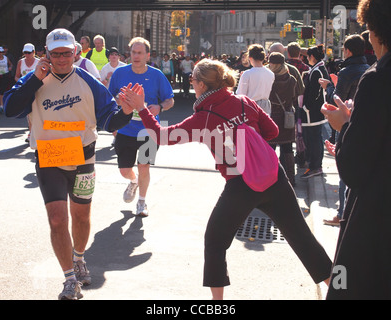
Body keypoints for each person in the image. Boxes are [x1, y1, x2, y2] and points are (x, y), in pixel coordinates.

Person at [120, 59, 332, 300]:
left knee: (215, 241)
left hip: (240, 184)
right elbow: (272, 131)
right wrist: (247, 140)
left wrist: (142, 108)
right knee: (303, 239)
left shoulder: (203, 119)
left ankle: (217, 303)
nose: (192, 83)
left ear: (200, 84)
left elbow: (160, 136)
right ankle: (342, 288)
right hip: (274, 177)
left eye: (192, 80)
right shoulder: (244, 102)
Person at [2, 28, 133, 300]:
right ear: (46, 54)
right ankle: (69, 278)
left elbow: (109, 120)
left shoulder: (89, 81)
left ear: (76, 51)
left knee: (82, 216)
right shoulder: (34, 78)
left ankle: (79, 257)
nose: (62, 59)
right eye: (55, 54)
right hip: (49, 157)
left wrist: (127, 111)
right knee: (57, 218)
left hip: (83, 157)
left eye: (67, 53)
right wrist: (34, 80)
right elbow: (11, 109)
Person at [322, 0, 391, 299]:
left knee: (347, 282)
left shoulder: (377, 79)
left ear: (376, 31)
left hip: (376, 216)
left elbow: (354, 165)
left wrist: (344, 126)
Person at [108, 37, 174, 217]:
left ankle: (142, 203)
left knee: (144, 166)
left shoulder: (156, 75)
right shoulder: (120, 73)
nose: (136, 56)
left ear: (147, 55)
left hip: (149, 129)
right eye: (133, 52)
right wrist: (118, 103)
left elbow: (170, 100)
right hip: (125, 128)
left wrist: (159, 107)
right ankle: (133, 181)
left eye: (139, 53)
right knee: (124, 170)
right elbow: (109, 97)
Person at [318, 34, 370, 226]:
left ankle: (341, 214)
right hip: (363, 123)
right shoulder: (368, 69)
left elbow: (336, 100)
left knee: (343, 167)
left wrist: (329, 86)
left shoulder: (347, 71)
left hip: (345, 124)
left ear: (347, 51)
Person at [267, 53, 297, 186]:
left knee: (269, 150)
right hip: (287, 118)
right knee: (288, 148)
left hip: (272, 117)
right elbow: (294, 98)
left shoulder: (269, 80)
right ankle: (290, 179)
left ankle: (269, 179)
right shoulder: (292, 80)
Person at [300, 44, 329, 179]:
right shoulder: (319, 68)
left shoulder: (317, 70)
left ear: (312, 57)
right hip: (315, 111)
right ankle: (315, 165)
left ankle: (315, 166)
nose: (307, 60)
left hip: (312, 112)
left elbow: (314, 92)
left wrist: (307, 107)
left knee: (314, 138)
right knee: (316, 137)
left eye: (308, 57)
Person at [236, 44, 274, 115]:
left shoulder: (247, 74)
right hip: (266, 107)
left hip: (250, 107)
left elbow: (241, 94)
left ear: (250, 58)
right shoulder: (271, 73)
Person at [15, 43, 40, 143]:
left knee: (38, 112)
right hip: (26, 91)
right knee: (29, 113)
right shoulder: (21, 62)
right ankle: (31, 133)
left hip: (38, 90)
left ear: (33, 52)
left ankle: (36, 132)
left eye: (29, 53)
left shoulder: (39, 62)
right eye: (25, 52)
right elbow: (16, 76)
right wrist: (22, 82)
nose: (27, 55)